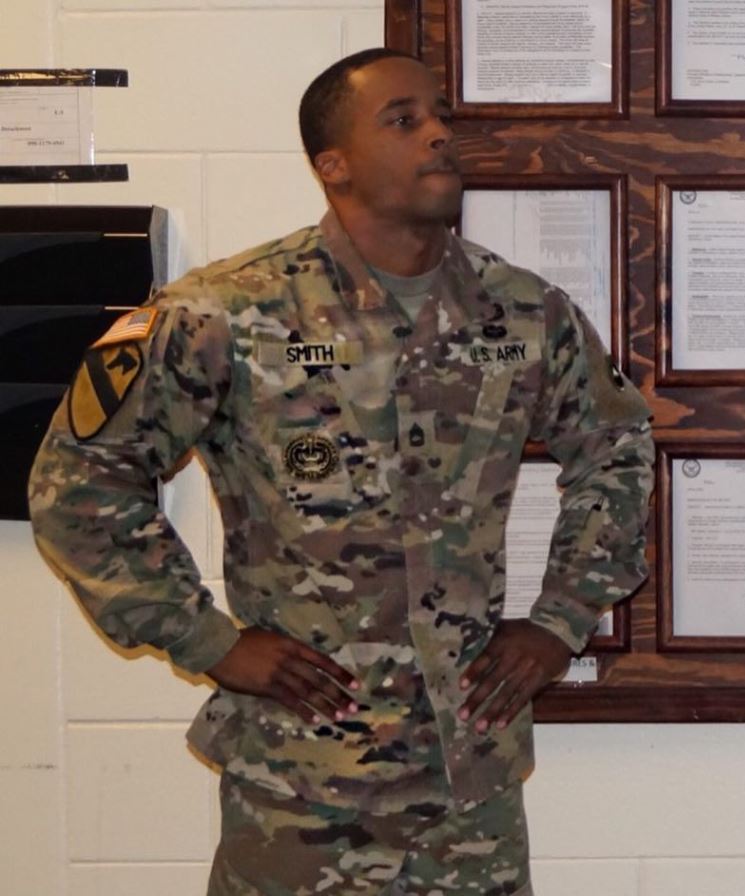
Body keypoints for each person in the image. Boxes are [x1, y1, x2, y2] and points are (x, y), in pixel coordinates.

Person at [29, 48, 654, 896]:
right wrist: (208, 641)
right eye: (404, 120)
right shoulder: (225, 313)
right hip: (299, 786)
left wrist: (560, 620)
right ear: (334, 165)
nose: (439, 134)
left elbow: (617, 448)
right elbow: (79, 483)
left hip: (466, 780)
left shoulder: (524, 313)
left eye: (441, 115)